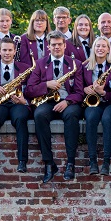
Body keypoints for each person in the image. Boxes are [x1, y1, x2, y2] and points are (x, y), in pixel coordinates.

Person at [25, 30, 84, 183]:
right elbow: (30, 90)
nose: (57, 47)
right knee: (39, 115)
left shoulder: (75, 65)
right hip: (48, 101)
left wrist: (67, 102)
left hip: (68, 102)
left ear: (65, 46)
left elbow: (79, 91)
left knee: (72, 116)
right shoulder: (39, 64)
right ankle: (49, 163)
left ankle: (70, 163)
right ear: (48, 47)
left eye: (59, 44)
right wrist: (46, 85)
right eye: (53, 45)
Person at [0, 36, 32, 174]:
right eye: (4, 50)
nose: (7, 53)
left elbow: (31, 87)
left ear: (14, 51)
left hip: (18, 103)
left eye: (10, 50)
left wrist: (23, 97)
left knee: (21, 119)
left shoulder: (25, 68)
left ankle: (22, 162)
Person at [82, 36, 111, 175]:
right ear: (93, 49)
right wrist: (85, 89)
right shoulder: (84, 67)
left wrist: (103, 92)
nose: (100, 48)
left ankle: (106, 162)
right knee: (91, 119)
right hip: (92, 103)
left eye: (104, 46)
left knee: (107, 119)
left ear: (109, 49)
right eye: (98, 46)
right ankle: (92, 161)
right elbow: (79, 87)